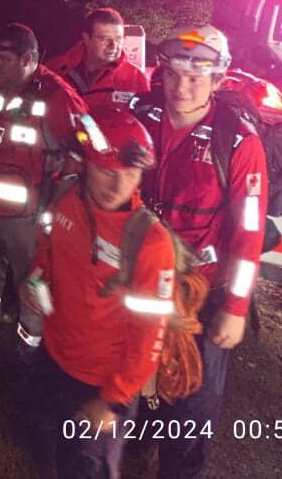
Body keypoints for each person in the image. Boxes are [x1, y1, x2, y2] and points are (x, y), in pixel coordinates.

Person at [132, 25, 268, 477]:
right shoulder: (141, 118)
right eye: (173, 73)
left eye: (196, 77)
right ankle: (136, 453)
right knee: (133, 383)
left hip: (200, 297)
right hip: (140, 281)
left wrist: (234, 307)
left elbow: (249, 236)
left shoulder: (238, 142)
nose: (181, 86)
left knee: (190, 408)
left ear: (217, 80)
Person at [22, 106, 175, 478]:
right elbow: (47, 248)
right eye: (107, 171)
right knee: (48, 451)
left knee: (87, 469)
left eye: (131, 174)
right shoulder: (66, 201)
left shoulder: (150, 243)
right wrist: (36, 277)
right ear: (86, 164)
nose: (118, 186)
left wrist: (113, 400)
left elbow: (150, 334)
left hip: (101, 384)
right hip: (53, 360)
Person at [0, 23, 86, 354]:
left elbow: (81, 156)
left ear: (28, 58)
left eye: (5, 58)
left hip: (28, 219)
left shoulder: (58, 98)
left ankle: (32, 351)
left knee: (33, 287)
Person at [46, 7, 149, 109]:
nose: (113, 45)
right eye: (105, 39)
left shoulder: (136, 80)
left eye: (118, 39)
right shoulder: (55, 70)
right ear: (87, 39)